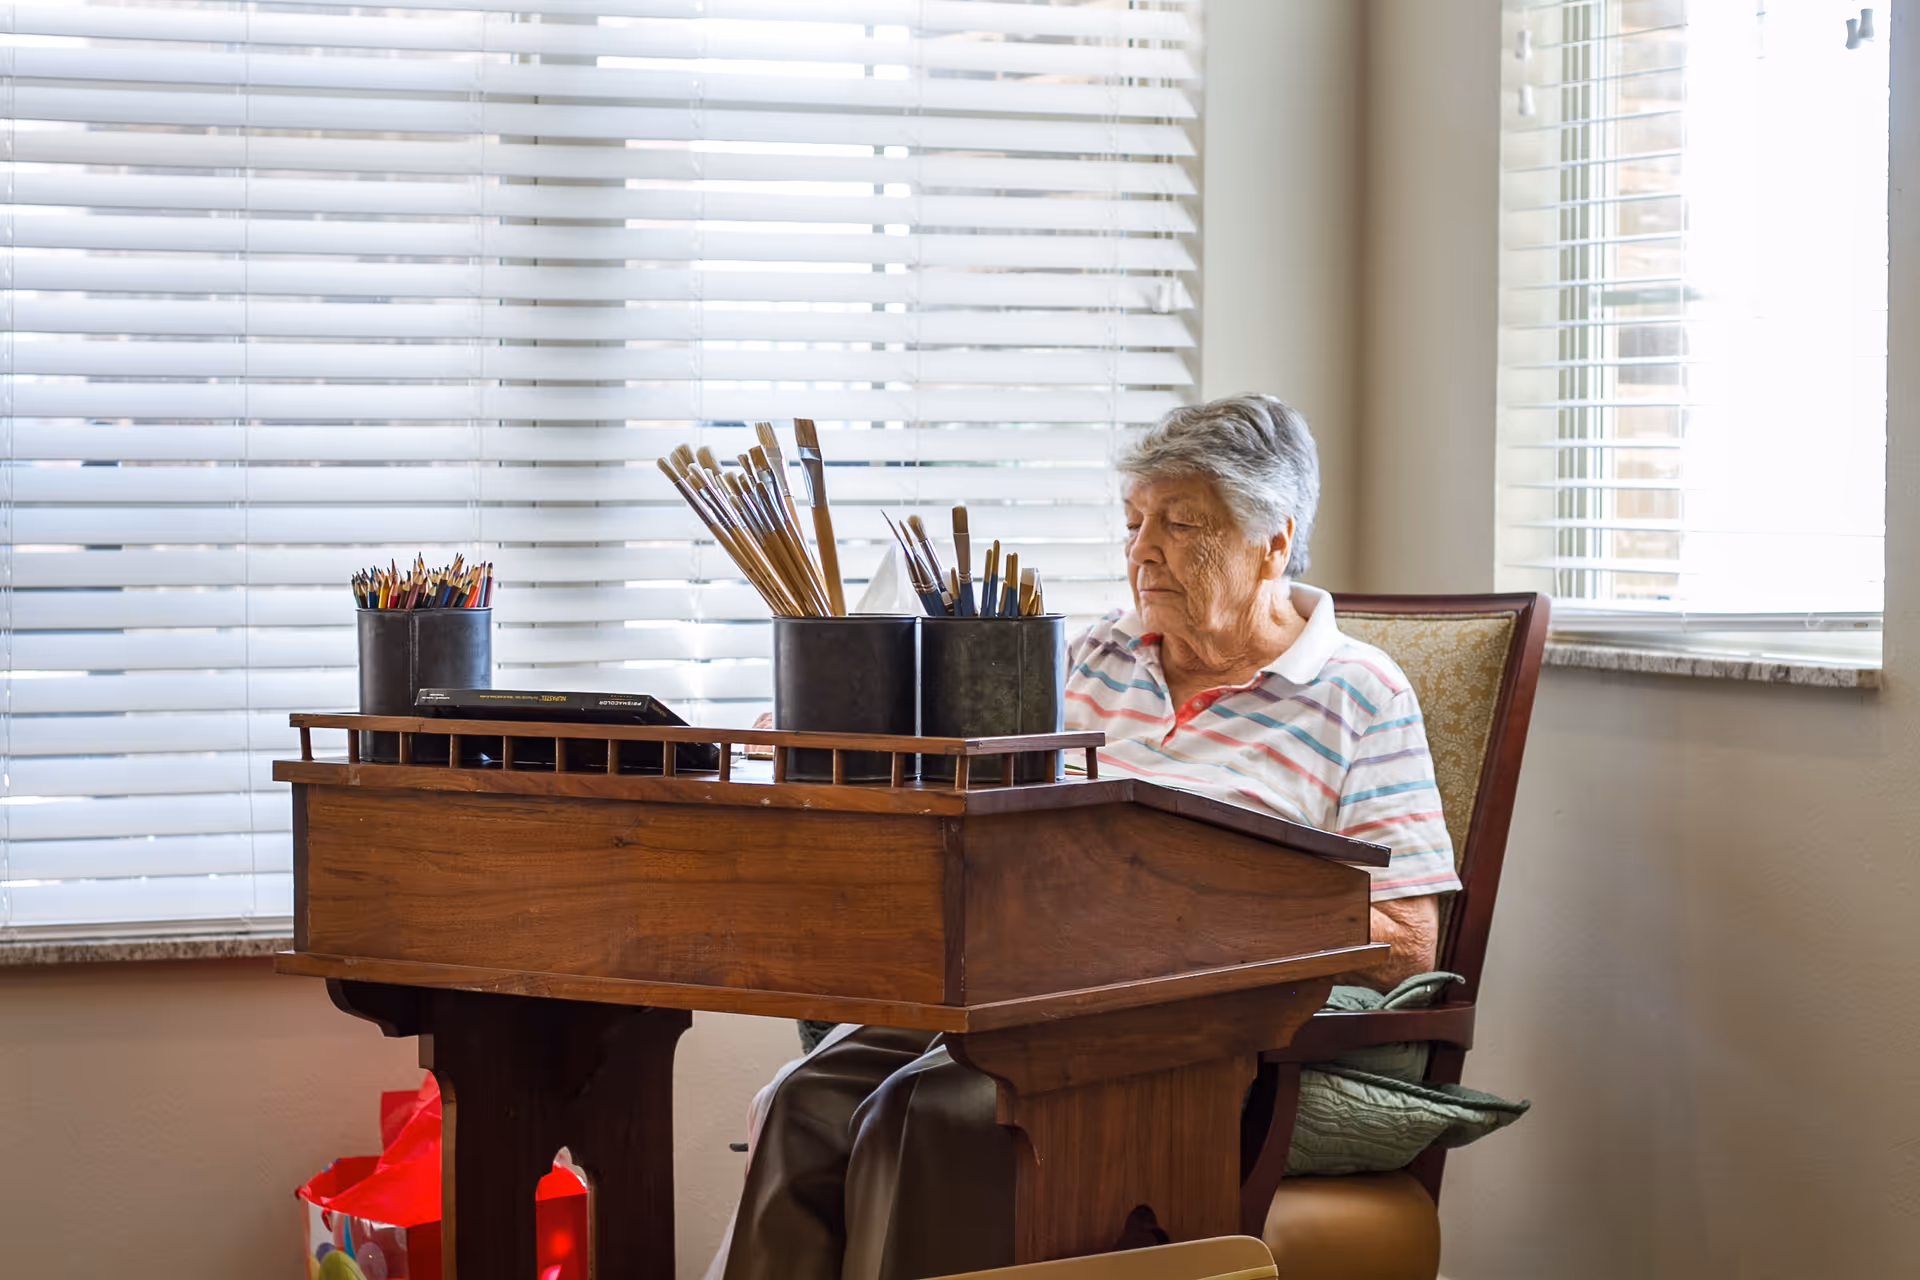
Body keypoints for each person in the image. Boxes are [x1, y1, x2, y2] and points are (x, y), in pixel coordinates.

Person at [710, 394, 1462, 1280]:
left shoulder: (1359, 693)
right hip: (1010, 989)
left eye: (1182, 523)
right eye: (1136, 518)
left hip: (1173, 1025)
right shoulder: (1088, 655)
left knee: (925, 1116)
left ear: (1274, 540)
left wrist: (1186, 915)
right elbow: (975, 790)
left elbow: (1406, 942)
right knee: (805, 1106)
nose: (1143, 549)